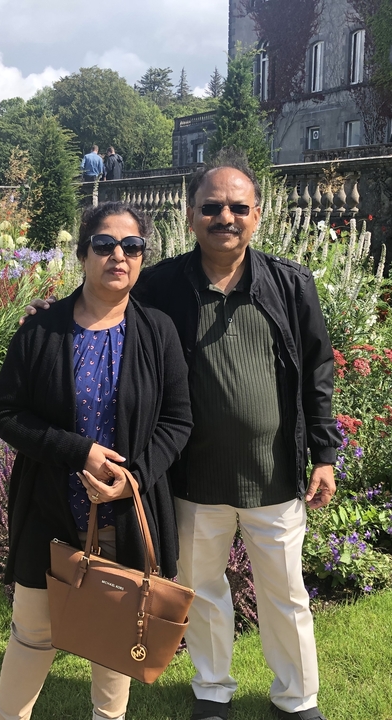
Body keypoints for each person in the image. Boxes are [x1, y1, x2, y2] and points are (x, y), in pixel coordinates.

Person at [25, 157, 342, 720]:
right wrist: (52, 319)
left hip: (274, 474)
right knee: (204, 591)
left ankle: (297, 699)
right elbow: (107, 306)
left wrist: (324, 453)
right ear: (191, 215)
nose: (226, 217)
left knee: (286, 596)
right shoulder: (165, 283)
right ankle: (212, 690)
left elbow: (317, 371)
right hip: (192, 476)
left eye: (238, 207)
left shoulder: (291, 284)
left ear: (258, 215)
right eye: (212, 207)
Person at [0, 201, 193, 720]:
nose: (118, 255)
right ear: (83, 255)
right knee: (33, 635)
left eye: (131, 246)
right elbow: (7, 412)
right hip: (50, 510)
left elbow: (178, 421)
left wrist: (134, 479)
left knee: (116, 637)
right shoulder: (43, 330)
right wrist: (78, 451)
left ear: (143, 257)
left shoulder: (158, 332)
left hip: (122, 514)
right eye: (104, 245)